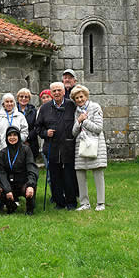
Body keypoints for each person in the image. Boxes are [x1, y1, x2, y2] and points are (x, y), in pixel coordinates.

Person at [34, 81, 78, 209]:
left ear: (64, 92)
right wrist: (45, 133)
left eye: (59, 90)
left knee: (69, 176)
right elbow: (37, 128)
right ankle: (59, 202)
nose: (57, 93)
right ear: (51, 93)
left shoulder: (71, 105)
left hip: (68, 147)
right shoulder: (45, 108)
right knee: (55, 177)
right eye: (54, 91)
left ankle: (71, 202)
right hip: (52, 147)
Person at [70, 85, 107, 211]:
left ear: (86, 96)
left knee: (98, 172)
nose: (80, 100)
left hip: (95, 144)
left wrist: (84, 121)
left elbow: (98, 128)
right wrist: (79, 121)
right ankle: (84, 203)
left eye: (81, 97)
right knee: (80, 173)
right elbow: (74, 132)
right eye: (77, 98)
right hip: (81, 146)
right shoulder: (76, 111)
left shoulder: (95, 107)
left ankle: (100, 203)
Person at [0, 127, 37, 215]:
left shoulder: (26, 150)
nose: (12, 137)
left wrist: (30, 184)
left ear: (19, 137)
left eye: (15, 135)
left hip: (23, 182)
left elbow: (31, 168)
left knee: (30, 189)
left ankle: (30, 208)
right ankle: (11, 206)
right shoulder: (3, 152)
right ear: (6, 137)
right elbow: (1, 172)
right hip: (10, 183)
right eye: (10, 135)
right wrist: (7, 189)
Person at [16, 88, 40, 162]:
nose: (23, 98)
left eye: (26, 97)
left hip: (31, 143)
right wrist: (19, 139)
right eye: (21, 96)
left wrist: (27, 138)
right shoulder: (13, 110)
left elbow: (36, 127)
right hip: (15, 141)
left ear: (29, 99)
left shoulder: (34, 111)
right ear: (18, 98)